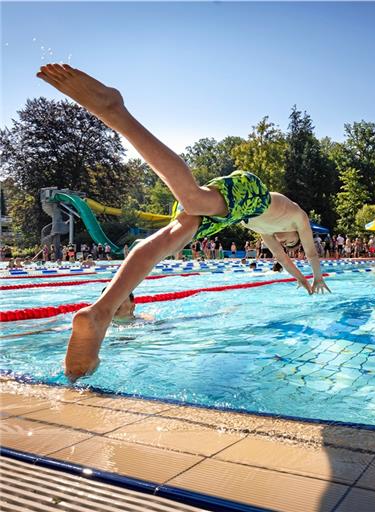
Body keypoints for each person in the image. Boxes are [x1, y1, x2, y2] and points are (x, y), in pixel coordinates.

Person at [37, 63, 330, 382]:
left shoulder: (266, 230)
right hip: (250, 192)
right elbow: (310, 250)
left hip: (233, 212)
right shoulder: (298, 215)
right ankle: (115, 111)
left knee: (167, 241)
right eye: (292, 240)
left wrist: (300, 280)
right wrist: (316, 273)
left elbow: (282, 258)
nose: (289, 242)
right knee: (190, 198)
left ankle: (102, 311)